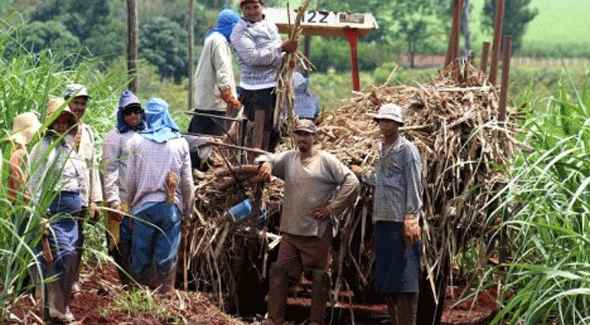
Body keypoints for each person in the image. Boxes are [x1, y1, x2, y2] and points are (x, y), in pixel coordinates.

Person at [257, 119, 359, 325]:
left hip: (316, 232)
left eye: (306, 134)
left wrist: (332, 208)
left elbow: (352, 181)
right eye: (299, 134)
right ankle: (274, 319)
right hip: (291, 231)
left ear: (315, 137)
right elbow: (265, 156)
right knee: (280, 272)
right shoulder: (289, 158)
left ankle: (316, 321)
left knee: (319, 277)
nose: (302, 138)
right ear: (294, 137)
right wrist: (267, 164)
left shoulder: (326, 161)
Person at [353, 103, 423, 325]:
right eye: (382, 120)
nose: (386, 124)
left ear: (398, 124)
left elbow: (414, 183)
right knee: (389, 279)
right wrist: (361, 175)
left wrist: (411, 217)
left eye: (390, 121)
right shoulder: (382, 148)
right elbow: (381, 181)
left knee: (406, 279)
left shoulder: (407, 150)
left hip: (400, 222)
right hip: (382, 220)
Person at [126, 98, 195, 293]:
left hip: (143, 208)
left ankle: (140, 296)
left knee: (141, 255)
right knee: (166, 256)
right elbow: (188, 183)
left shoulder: (136, 142)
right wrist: (188, 211)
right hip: (170, 207)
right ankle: (164, 296)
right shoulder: (180, 143)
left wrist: (130, 206)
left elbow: (130, 180)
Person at [29, 98, 87, 323]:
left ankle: (59, 306)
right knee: (63, 255)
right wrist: (39, 213)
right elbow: (34, 182)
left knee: (70, 258)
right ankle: (56, 307)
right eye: (58, 121)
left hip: (72, 214)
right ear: (51, 123)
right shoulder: (42, 147)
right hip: (54, 210)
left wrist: (85, 202)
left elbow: (78, 176)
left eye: (65, 121)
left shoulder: (69, 144)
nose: (62, 125)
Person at [231, 0, 299, 151]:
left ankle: (269, 162)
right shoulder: (239, 32)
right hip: (255, 89)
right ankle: (254, 163)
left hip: (274, 86)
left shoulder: (270, 25)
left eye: (256, 7)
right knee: (256, 131)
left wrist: (288, 59)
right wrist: (281, 48)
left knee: (274, 129)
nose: (252, 11)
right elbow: (253, 58)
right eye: (247, 8)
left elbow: (280, 52)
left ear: (262, 7)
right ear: (242, 10)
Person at [63, 83, 103, 295]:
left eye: (82, 103)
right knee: (62, 242)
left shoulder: (87, 132)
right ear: (66, 103)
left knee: (79, 239)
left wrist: (94, 200)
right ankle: (59, 283)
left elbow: (92, 167)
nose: (79, 107)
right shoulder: (57, 129)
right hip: (60, 197)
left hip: (82, 197)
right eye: (75, 102)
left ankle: (73, 280)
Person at [102, 90, 146, 284]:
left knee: (139, 243)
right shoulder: (114, 136)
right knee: (121, 243)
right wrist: (112, 201)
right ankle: (128, 284)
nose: (134, 115)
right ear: (122, 114)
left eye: (137, 111)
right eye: (129, 112)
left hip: (141, 200)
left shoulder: (147, 133)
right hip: (121, 200)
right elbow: (109, 169)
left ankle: (138, 282)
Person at [188, 9, 241, 139]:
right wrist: (230, 97)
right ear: (232, 27)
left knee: (197, 141)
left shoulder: (212, 39)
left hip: (205, 103)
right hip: (215, 106)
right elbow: (223, 71)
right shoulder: (219, 41)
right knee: (213, 146)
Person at [7, 112, 42, 203]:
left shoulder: (22, 151)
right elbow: (16, 175)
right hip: (19, 201)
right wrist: (25, 193)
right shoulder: (20, 153)